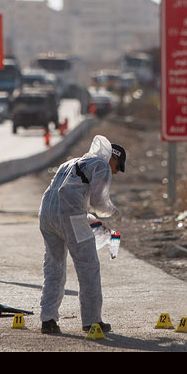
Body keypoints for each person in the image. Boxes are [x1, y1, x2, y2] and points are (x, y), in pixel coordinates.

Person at [38, 135, 126, 334]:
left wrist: (90, 217)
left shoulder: (71, 162)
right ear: (113, 158)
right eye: (118, 166)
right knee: (88, 267)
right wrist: (113, 211)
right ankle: (91, 321)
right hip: (71, 218)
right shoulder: (101, 166)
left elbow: (64, 192)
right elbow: (98, 202)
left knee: (54, 266)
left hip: (46, 214)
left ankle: (48, 319)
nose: (116, 172)